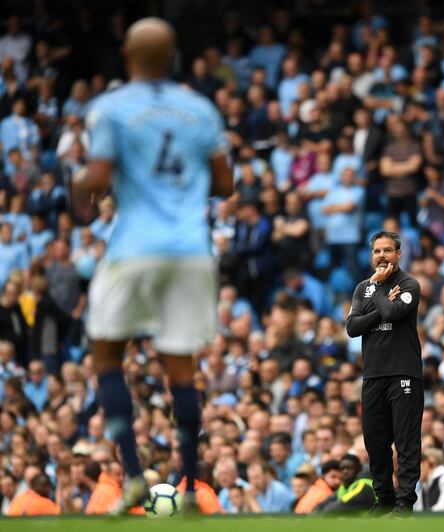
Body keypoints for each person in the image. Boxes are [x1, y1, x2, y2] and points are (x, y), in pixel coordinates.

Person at [74, 18, 233, 515]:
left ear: (127, 53)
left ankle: (136, 474)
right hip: (191, 250)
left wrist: (80, 184)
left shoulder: (110, 108)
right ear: (173, 55)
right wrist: (181, 195)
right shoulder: (200, 108)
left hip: (134, 249)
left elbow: (97, 178)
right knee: (181, 370)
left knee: (106, 358)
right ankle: (187, 488)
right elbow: (224, 183)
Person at [346, 230, 423, 517]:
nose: (381, 256)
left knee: (405, 441)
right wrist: (380, 301)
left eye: (387, 251)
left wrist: (378, 292)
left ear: (398, 254)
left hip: (404, 372)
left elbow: (393, 314)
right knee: (375, 442)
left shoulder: (409, 285)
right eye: (377, 251)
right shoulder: (362, 288)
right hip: (373, 375)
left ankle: (404, 504)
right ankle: (385, 500)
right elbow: (352, 328)